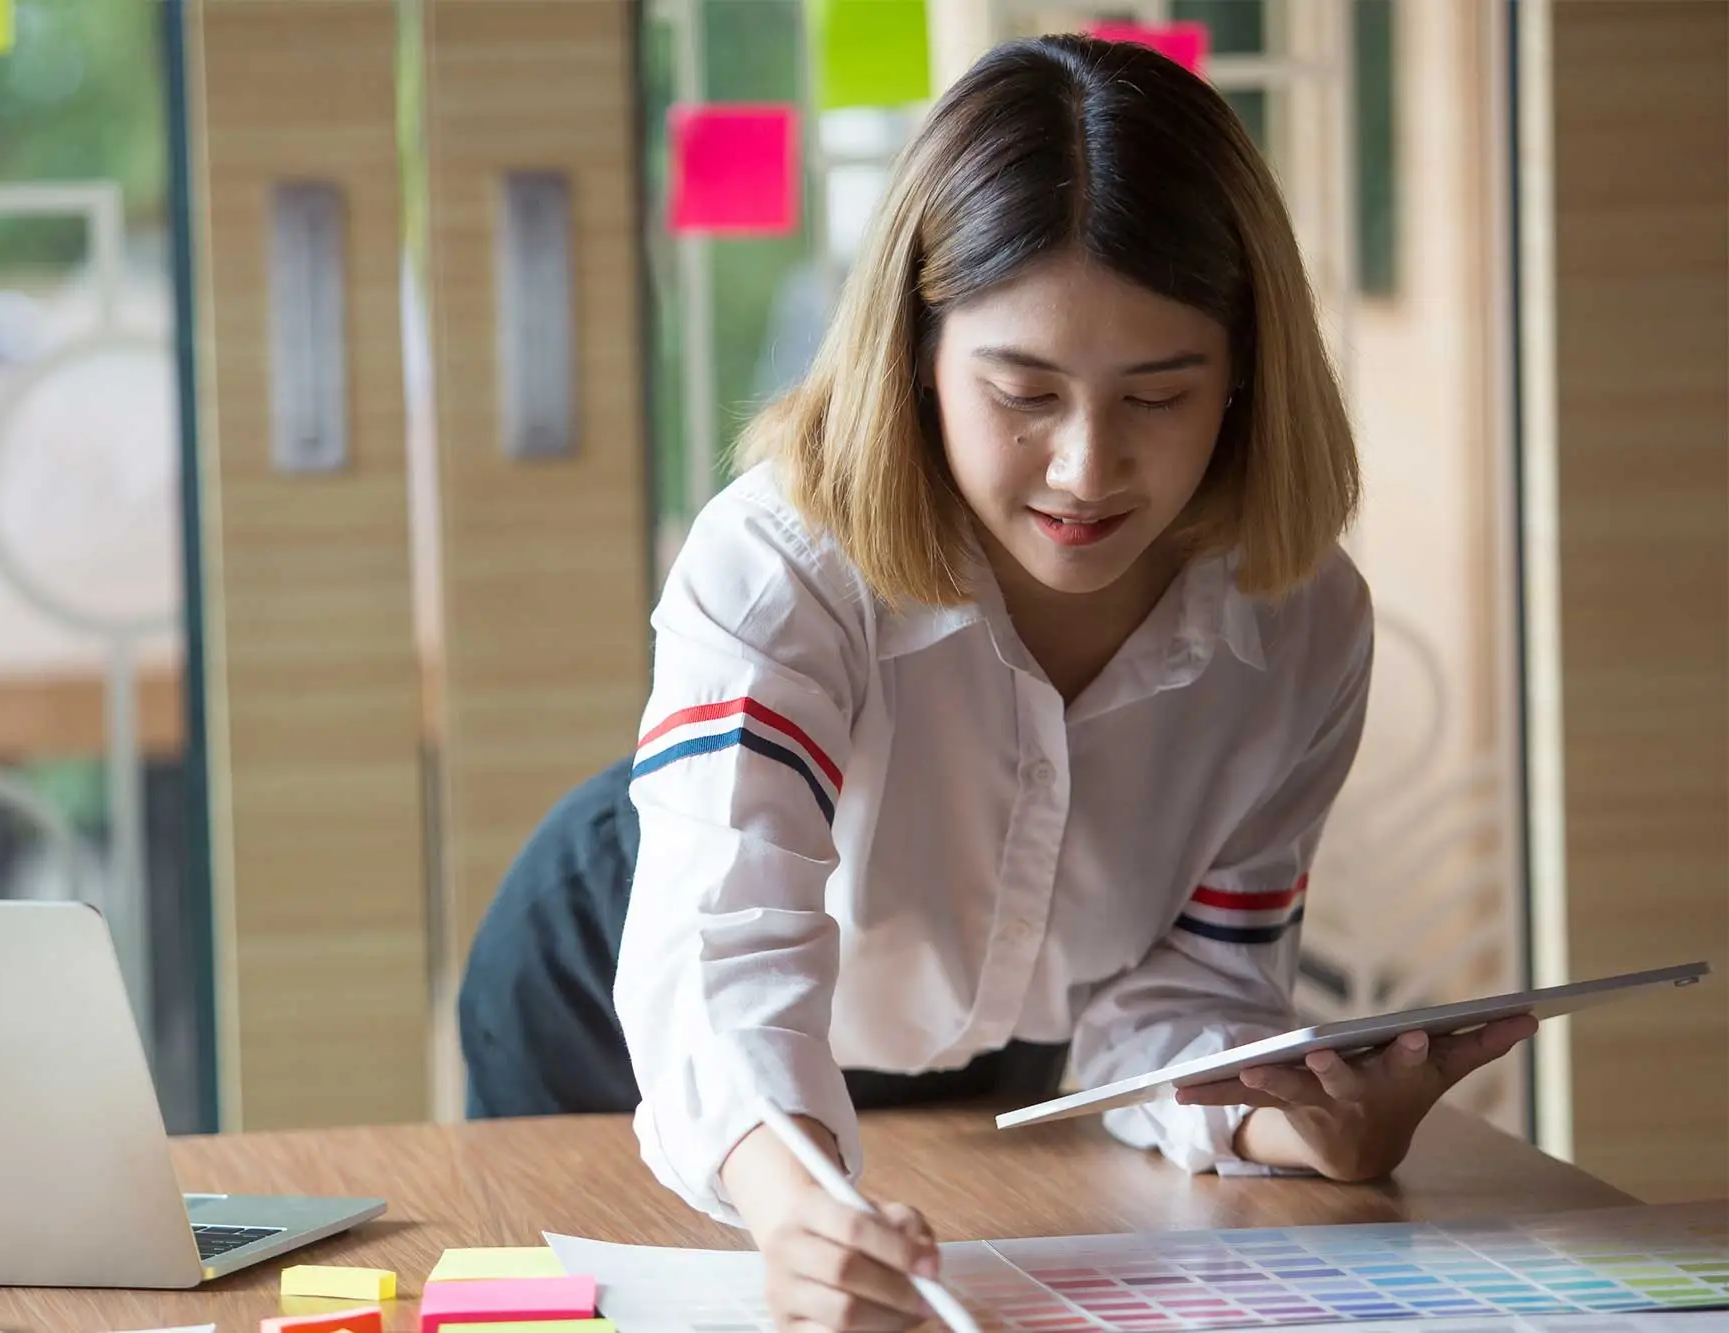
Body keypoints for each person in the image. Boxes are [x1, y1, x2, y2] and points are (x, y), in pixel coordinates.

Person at [459, 31, 1536, 1333]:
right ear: (917, 352)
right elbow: (719, 968)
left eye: (1158, 395)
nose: (1086, 468)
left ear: (1245, 377)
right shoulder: (781, 564)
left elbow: (1179, 1003)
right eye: (1024, 390)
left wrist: (1301, 1131)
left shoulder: (1297, 629)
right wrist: (796, 1202)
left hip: (1002, 1050)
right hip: (639, 1018)